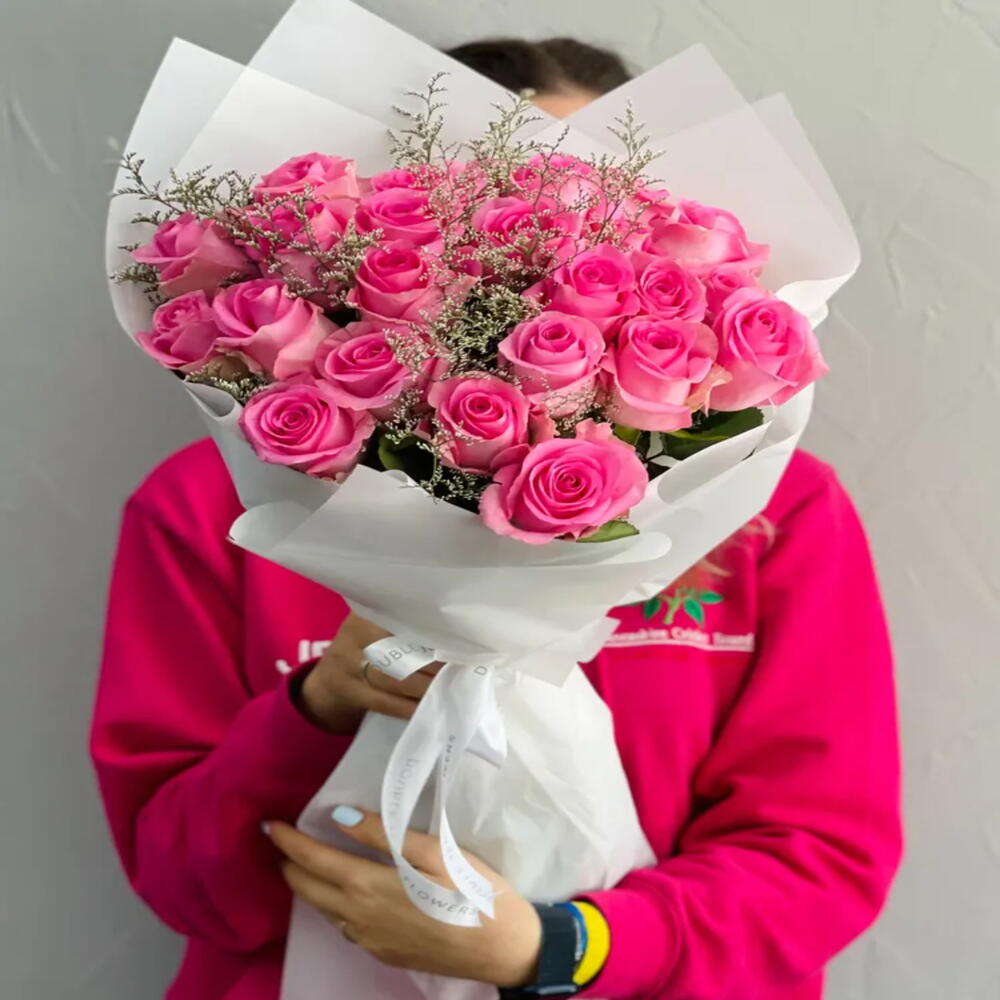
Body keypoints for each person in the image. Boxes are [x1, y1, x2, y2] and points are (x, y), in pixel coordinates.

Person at [91, 36, 902, 1000]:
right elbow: (183, 881)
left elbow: (820, 856)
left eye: (596, 209)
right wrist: (317, 709)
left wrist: (562, 950)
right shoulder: (212, 506)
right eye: (503, 197)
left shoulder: (774, 511)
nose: (551, 247)